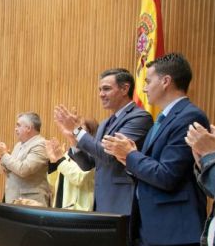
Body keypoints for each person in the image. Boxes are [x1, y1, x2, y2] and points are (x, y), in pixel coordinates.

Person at [102, 53, 209, 246]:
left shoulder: (189, 117)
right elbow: (149, 165)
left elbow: (167, 175)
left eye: (148, 81)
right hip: (151, 231)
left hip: (173, 232)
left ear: (166, 81)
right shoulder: (163, 118)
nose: (144, 88)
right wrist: (128, 160)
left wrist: (131, 156)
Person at [55, 68, 153, 216]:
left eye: (106, 89)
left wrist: (77, 130)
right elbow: (89, 163)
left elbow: (108, 155)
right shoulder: (105, 123)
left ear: (125, 89)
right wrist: (74, 140)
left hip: (122, 201)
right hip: (101, 201)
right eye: (100, 89)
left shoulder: (139, 118)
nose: (101, 94)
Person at [0, 112, 50, 206]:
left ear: (28, 128)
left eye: (18, 125)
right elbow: (6, 172)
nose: (15, 129)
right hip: (13, 199)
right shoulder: (18, 145)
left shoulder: (41, 145)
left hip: (32, 202)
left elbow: (23, 170)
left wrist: (4, 155)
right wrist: (0, 157)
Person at [45, 126, 95, 211]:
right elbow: (53, 181)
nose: (73, 133)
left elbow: (79, 178)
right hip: (60, 208)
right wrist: (53, 162)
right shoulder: (67, 153)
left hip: (79, 212)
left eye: (79, 130)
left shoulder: (92, 157)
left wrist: (59, 159)